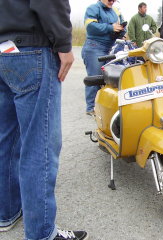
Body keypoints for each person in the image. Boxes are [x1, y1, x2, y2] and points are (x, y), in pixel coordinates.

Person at [0, 0, 88, 240]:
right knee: (39, 147)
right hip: (31, 48)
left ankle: (6, 213)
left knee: (6, 138)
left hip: (2, 48)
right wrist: (63, 43)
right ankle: (41, 234)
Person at [82, 0, 125, 116]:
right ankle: (91, 108)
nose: (112, 1)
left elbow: (120, 27)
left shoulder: (115, 11)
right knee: (95, 78)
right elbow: (90, 27)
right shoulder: (93, 8)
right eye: (110, 0)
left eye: (114, 0)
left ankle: (106, 106)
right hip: (94, 47)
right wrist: (110, 28)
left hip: (110, 48)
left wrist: (121, 31)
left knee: (110, 80)